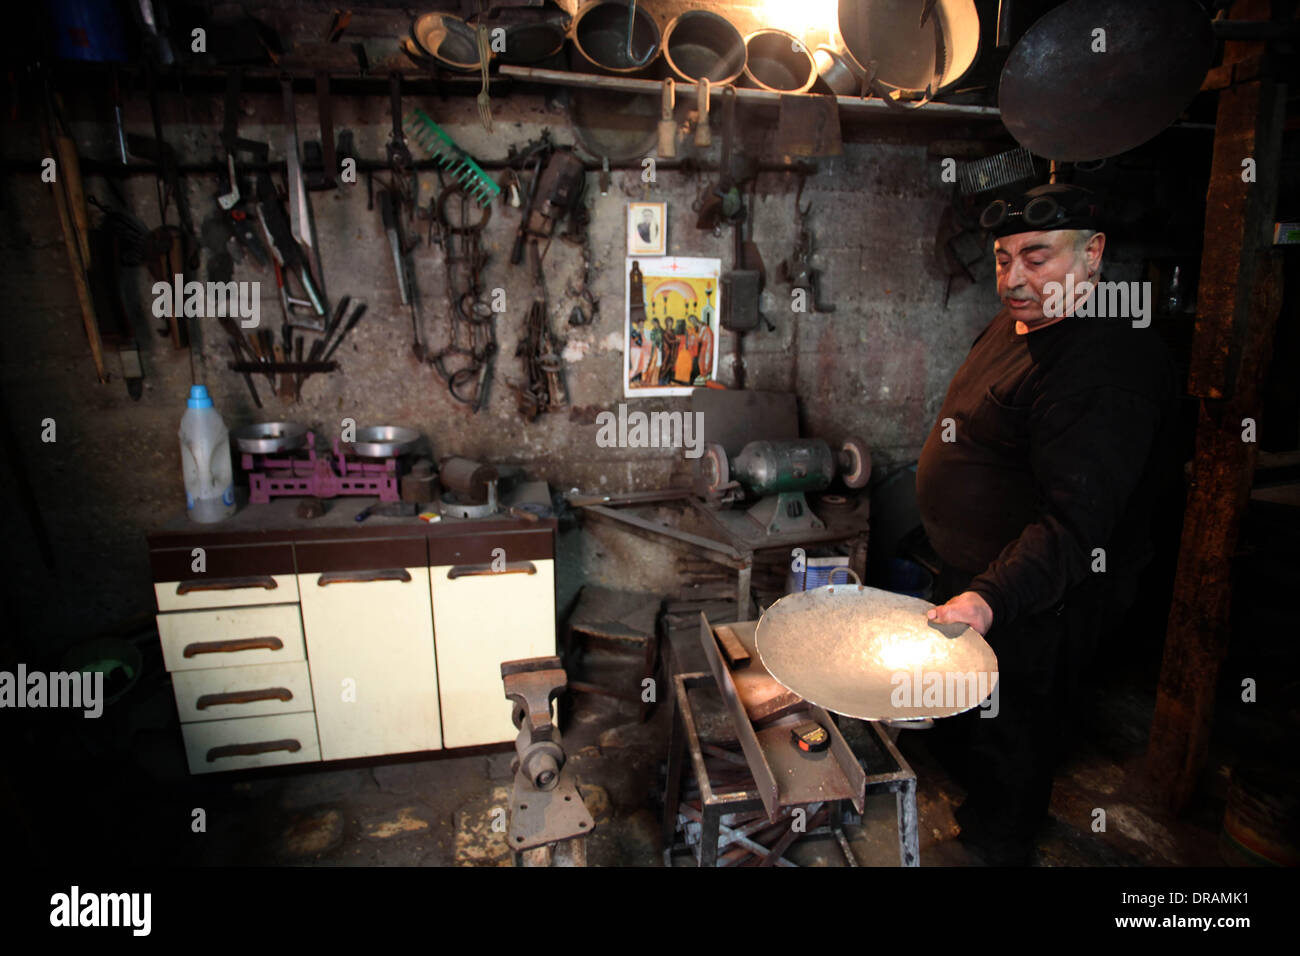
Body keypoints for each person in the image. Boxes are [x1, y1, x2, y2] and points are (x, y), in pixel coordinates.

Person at [914, 184, 1177, 865]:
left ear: (1093, 255)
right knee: (967, 721)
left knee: (1014, 735)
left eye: (1036, 257)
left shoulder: (1104, 364)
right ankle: (964, 805)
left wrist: (991, 598)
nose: (1013, 279)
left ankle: (997, 845)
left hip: (1039, 598)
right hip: (980, 576)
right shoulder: (1023, 320)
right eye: (1003, 260)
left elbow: (1077, 524)